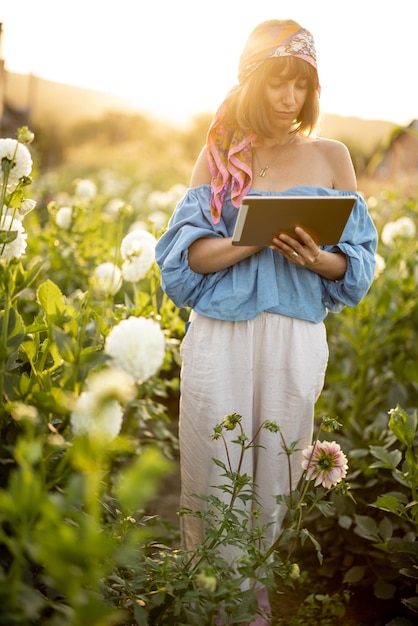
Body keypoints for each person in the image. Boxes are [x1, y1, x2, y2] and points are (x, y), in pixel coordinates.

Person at [155, 19, 377, 625]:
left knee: (276, 470)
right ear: (254, 83)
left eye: (302, 87)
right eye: (279, 84)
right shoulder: (222, 155)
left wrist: (317, 258)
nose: (290, 100)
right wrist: (251, 241)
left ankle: (250, 597)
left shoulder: (333, 157)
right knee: (213, 466)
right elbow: (186, 258)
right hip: (221, 334)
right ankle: (209, 599)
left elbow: (354, 266)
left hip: (294, 336)